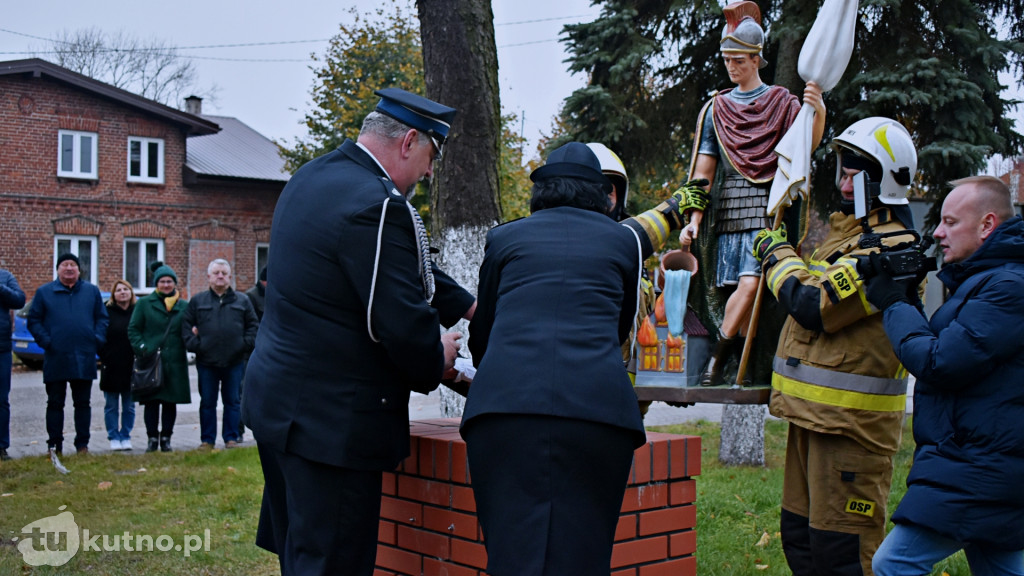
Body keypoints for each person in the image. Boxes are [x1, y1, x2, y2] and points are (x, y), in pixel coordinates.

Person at [242, 87, 463, 576]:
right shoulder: (379, 205)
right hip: (332, 423)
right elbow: (400, 322)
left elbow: (394, 264)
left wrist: (466, 305)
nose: (429, 173)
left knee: (303, 553)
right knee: (333, 563)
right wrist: (438, 351)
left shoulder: (315, 176)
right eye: (431, 157)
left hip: (282, 407)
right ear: (408, 141)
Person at [461, 142, 648, 576]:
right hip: (598, 413)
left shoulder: (505, 237)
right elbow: (621, 329)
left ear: (541, 192)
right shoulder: (624, 243)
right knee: (586, 550)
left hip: (504, 412)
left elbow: (482, 331)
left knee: (510, 551)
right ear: (602, 194)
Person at [751, 117, 920, 575]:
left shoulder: (891, 249)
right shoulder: (847, 236)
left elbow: (812, 304)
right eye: (841, 169)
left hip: (851, 433)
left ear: (881, 178)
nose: (843, 181)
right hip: (812, 422)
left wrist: (776, 254)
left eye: (853, 172)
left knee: (841, 558)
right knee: (801, 546)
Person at [867, 176, 1024, 576]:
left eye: (950, 222)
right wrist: (903, 296)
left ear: (987, 225)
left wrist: (895, 302)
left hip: (978, 470)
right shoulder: (986, 281)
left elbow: (940, 362)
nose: (937, 232)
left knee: (893, 564)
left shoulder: (1009, 287)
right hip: (985, 465)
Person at [682, 0, 826, 386]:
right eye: (728, 59)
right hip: (728, 213)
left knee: (751, 287)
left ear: (756, 59)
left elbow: (803, 150)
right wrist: (693, 219)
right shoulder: (716, 109)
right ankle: (739, 370)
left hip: (766, 210)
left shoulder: (782, 103)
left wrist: (818, 110)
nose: (732, 67)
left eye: (740, 60)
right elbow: (704, 172)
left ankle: (717, 361)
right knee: (741, 298)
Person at [27, 253, 108, 456]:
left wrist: (95, 339)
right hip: (56, 356)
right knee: (55, 403)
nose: (69, 268)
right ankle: (54, 446)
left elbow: (102, 318)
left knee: (83, 403)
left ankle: (82, 445)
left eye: (73, 265)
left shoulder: (91, 291)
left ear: (79, 270)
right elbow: (34, 320)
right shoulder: (45, 292)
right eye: (65, 265)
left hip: (84, 356)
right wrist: (46, 341)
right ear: (58, 269)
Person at [183, 258, 258, 449]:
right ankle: (207, 440)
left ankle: (231, 438)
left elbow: (253, 326)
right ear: (208, 277)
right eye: (216, 273)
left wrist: (243, 345)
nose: (220, 276)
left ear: (230, 277)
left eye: (224, 273)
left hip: (234, 361)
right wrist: (196, 346)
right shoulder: (198, 301)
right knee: (208, 402)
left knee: (233, 401)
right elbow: (185, 327)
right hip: (207, 362)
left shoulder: (242, 301)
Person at [128, 262, 190, 453]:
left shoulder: (183, 306)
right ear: (156, 283)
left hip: (175, 361)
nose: (166, 285)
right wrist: (143, 348)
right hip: (151, 361)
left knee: (170, 401)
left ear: (175, 283)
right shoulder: (145, 304)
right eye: (162, 281)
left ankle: (166, 438)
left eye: (169, 281)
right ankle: (152, 438)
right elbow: (134, 329)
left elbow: (189, 329)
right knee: (152, 402)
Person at [99, 280, 137, 451]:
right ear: (113, 295)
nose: (122, 292)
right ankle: (113, 436)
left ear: (131, 292)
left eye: (125, 289)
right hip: (112, 364)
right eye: (118, 290)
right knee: (111, 404)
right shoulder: (106, 312)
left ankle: (126, 435)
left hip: (132, 364)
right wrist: (104, 355)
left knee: (129, 405)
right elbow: (99, 335)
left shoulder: (137, 311)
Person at [0, 267, 26, 462]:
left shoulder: (6, 276)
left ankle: (1, 446)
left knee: (1, 399)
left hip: (1, 347)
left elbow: (19, 300)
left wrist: (1, 288)